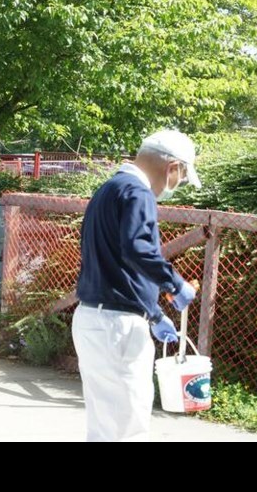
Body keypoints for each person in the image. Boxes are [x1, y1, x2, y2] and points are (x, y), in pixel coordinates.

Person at [72, 129, 201, 442]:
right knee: (130, 424)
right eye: (182, 178)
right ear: (173, 167)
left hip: (93, 318)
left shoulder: (109, 189)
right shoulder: (138, 192)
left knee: (104, 425)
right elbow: (137, 249)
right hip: (118, 328)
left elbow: (115, 266)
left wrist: (154, 314)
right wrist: (175, 283)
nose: (177, 185)